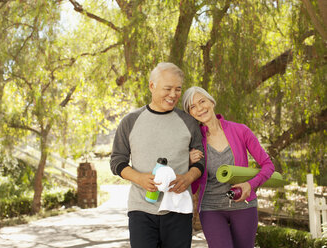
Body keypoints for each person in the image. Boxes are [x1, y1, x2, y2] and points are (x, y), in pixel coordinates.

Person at [110, 63, 205, 248]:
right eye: (167, 88)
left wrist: (187, 178)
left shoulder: (189, 122)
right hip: (141, 209)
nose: (173, 94)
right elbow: (117, 161)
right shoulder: (130, 121)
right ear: (152, 86)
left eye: (178, 89)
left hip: (179, 209)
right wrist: (139, 178)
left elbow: (200, 161)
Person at [182, 86, 275, 248]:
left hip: (244, 206)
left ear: (211, 102)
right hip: (211, 209)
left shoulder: (241, 130)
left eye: (202, 101)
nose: (199, 108)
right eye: (192, 107)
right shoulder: (193, 141)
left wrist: (250, 185)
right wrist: (187, 161)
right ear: (190, 114)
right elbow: (189, 181)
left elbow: (268, 165)